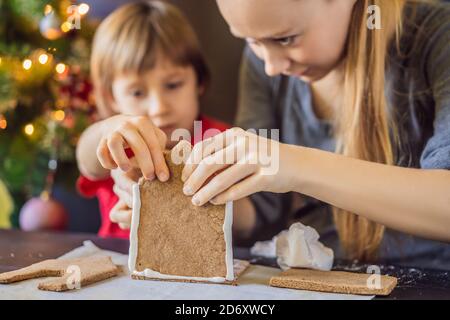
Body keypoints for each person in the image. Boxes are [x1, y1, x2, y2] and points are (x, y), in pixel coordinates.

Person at [178, 0, 450, 268]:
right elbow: (261, 208)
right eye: (251, 41)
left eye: (286, 39)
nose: (271, 66)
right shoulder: (265, 59)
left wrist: (294, 163)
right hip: (318, 275)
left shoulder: (437, 34)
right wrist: (184, 192)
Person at [75, 1, 229, 239]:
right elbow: (87, 160)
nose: (159, 108)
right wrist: (109, 129)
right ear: (110, 97)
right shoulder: (118, 145)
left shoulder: (220, 140)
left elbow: (248, 219)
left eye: (173, 85)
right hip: (117, 266)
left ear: (199, 81)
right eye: (137, 93)